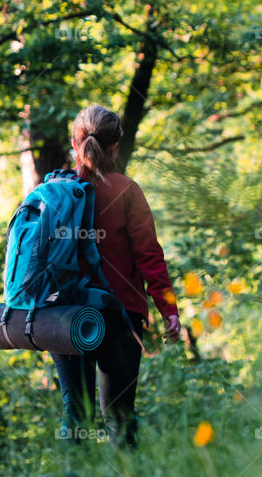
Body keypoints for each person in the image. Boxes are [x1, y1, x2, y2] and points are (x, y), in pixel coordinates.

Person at [50, 103, 180, 447]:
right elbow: (150, 256)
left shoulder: (56, 191)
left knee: (75, 413)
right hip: (119, 316)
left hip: (65, 315)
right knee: (120, 415)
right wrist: (169, 310)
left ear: (74, 144)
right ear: (115, 146)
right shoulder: (127, 190)